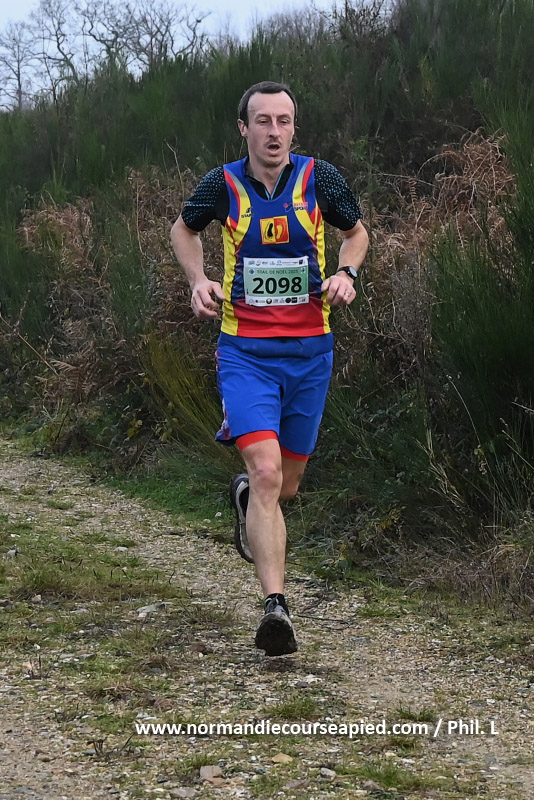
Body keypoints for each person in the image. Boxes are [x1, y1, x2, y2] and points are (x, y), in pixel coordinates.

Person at [171, 81, 368, 656]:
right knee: (265, 472)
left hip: (310, 353)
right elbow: (184, 228)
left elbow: (356, 234)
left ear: (294, 128)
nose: (274, 131)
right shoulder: (222, 184)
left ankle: (246, 501)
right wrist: (197, 281)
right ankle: (276, 608)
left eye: (284, 120)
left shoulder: (320, 179)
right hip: (245, 353)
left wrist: (346, 274)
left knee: (286, 485)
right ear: (244, 128)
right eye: (263, 121)